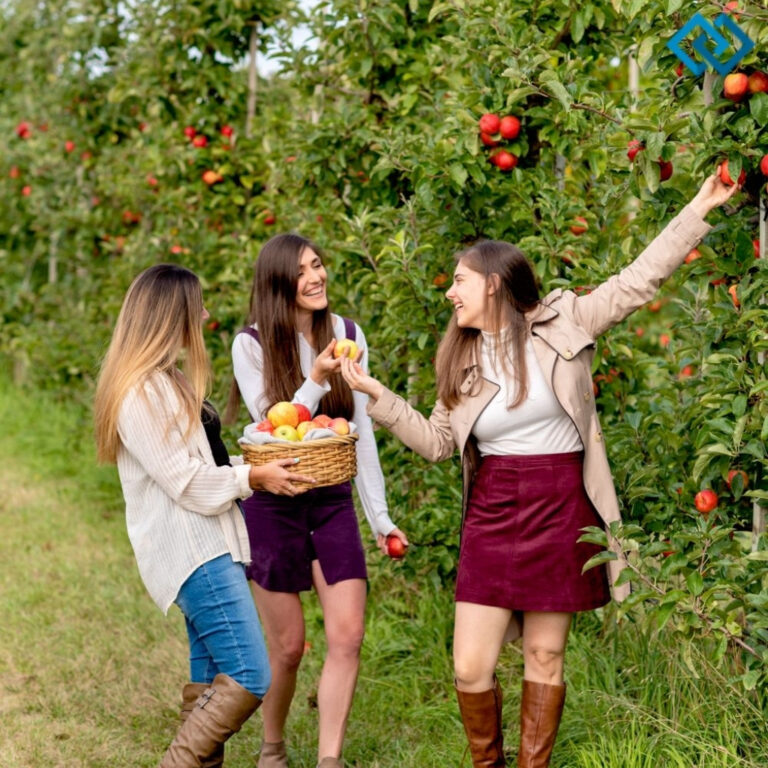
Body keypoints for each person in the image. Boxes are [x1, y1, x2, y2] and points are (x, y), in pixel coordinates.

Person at [339, 171, 740, 767]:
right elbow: (437, 442)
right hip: (495, 507)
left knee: (545, 658)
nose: (450, 292)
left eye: (459, 281)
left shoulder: (566, 321)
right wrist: (376, 394)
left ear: (496, 284)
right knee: (470, 666)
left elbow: (638, 280)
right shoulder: (461, 356)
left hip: (561, 503)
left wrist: (700, 208)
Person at [93, 264, 315, 768]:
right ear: (172, 316)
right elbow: (185, 482)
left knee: (211, 675)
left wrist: (258, 464)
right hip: (196, 550)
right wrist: (253, 480)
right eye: (199, 307)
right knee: (251, 674)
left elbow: (201, 466)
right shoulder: (140, 393)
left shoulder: (164, 381)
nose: (207, 315)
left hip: (211, 543)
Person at [226, 233, 408, 768]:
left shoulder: (349, 334)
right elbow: (270, 426)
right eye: (303, 271)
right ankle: (272, 745)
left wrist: (378, 514)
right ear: (279, 282)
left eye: (319, 264)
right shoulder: (251, 344)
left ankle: (329, 760)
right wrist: (314, 380)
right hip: (273, 500)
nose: (316, 277)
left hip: (330, 498)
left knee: (348, 636)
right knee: (286, 649)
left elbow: (361, 431)